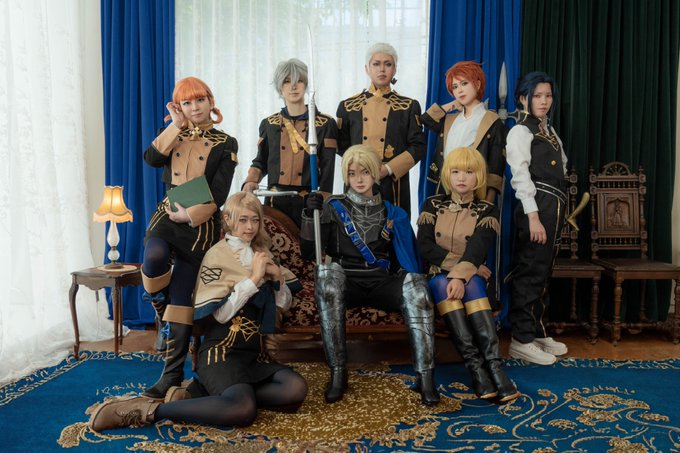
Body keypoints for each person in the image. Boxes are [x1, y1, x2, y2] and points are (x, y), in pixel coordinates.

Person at [89, 192, 307, 431]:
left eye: (255, 220)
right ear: (228, 219)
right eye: (243, 219)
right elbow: (220, 315)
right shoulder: (217, 255)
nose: (250, 227)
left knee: (295, 389)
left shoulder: (262, 253)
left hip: (252, 355)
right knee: (243, 410)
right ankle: (147, 411)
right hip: (221, 353)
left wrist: (278, 280)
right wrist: (254, 279)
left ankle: (198, 394)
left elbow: (281, 307)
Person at [301, 144, 439, 406]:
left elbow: (405, 260)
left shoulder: (393, 213)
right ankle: (338, 373)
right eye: (352, 173)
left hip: (381, 281)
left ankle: (426, 377)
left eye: (365, 172)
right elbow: (309, 253)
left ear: (375, 173)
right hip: (346, 281)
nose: (359, 179)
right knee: (328, 281)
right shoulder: (333, 207)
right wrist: (310, 215)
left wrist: (410, 281)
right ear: (346, 176)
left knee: (418, 290)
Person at [140, 76, 239, 399]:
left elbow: (220, 193)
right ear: (179, 107)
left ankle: (171, 375)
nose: (194, 107)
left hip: (199, 222)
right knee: (153, 258)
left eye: (199, 100)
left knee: (182, 298)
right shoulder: (172, 132)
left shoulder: (226, 142)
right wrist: (175, 126)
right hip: (168, 214)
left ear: (210, 102)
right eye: (186, 102)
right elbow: (151, 159)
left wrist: (191, 215)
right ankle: (160, 307)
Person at [417, 147, 519, 403]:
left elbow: (477, 250)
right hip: (438, 275)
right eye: (455, 171)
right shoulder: (432, 205)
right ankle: (476, 367)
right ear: (447, 175)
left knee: (470, 284)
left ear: (479, 176)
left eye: (469, 172)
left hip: (472, 280)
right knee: (443, 283)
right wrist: (464, 271)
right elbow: (425, 247)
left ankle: (494, 368)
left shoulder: (487, 210)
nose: (461, 177)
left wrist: (461, 276)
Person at [506, 72, 569, 365]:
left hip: (554, 205)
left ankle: (537, 331)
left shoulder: (548, 130)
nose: (544, 101)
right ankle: (521, 339)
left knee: (543, 272)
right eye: (537, 96)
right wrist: (533, 216)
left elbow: (563, 166)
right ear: (524, 99)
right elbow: (520, 176)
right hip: (537, 206)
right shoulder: (521, 132)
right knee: (530, 270)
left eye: (548, 96)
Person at [243, 58, 337, 227]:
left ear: (306, 84)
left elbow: (328, 167)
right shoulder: (269, 124)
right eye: (287, 81)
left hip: (309, 202)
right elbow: (260, 161)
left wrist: (322, 199)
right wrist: (251, 180)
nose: (293, 86)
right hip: (274, 202)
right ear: (280, 87)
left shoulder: (324, 123)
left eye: (298, 80)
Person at [336, 43, 426, 216]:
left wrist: (388, 169)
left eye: (388, 64)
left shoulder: (408, 106)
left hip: (393, 183)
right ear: (367, 69)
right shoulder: (347, 106)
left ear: (395, 69)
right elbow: (341, 144)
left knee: (393, 228)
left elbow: (418, 146)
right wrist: (360, 168)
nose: (382, 69)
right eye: (376, 64)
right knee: (354, 226)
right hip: (357, 180)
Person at [420, 61, 506, 201]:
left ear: (477, 84)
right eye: (455, 87)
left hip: (475, 190)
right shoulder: (450, 119)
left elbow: (496, 166)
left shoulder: (491, 120)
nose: (459, 90)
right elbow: (426, 119)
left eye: (464, 83)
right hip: (445, 187)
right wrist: (452, 105)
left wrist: (487, 205)